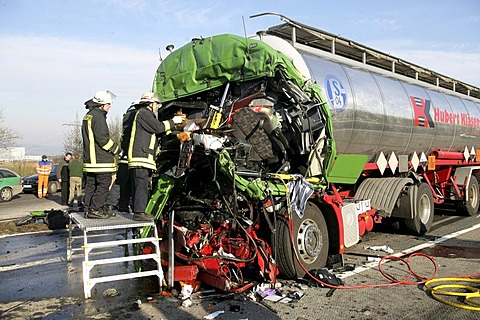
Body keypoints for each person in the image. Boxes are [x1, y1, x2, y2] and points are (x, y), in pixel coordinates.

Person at [128, 92, 186, 221]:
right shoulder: (144, 113)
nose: (157, 107)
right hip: (141, 157)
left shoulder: (144, 114)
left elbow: (157, 132)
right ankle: (139, 213)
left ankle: (139, 211)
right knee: (141, 186)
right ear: (150, 103)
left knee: (141, 185)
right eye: (156, 104)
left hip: (143, 157)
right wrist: (173, 121)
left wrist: (174, 132)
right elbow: (158, 127)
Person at [82, 90, 120, 219]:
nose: (110, 106)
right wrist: (118, 151)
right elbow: (103, 140)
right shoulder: (99, 117)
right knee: (104, 184)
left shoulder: (89, 115)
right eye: (109, 104)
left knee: (91, 184)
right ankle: (95, 209)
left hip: (90, 159)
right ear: (101, 104)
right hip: (100, 160)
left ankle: (87, 209)